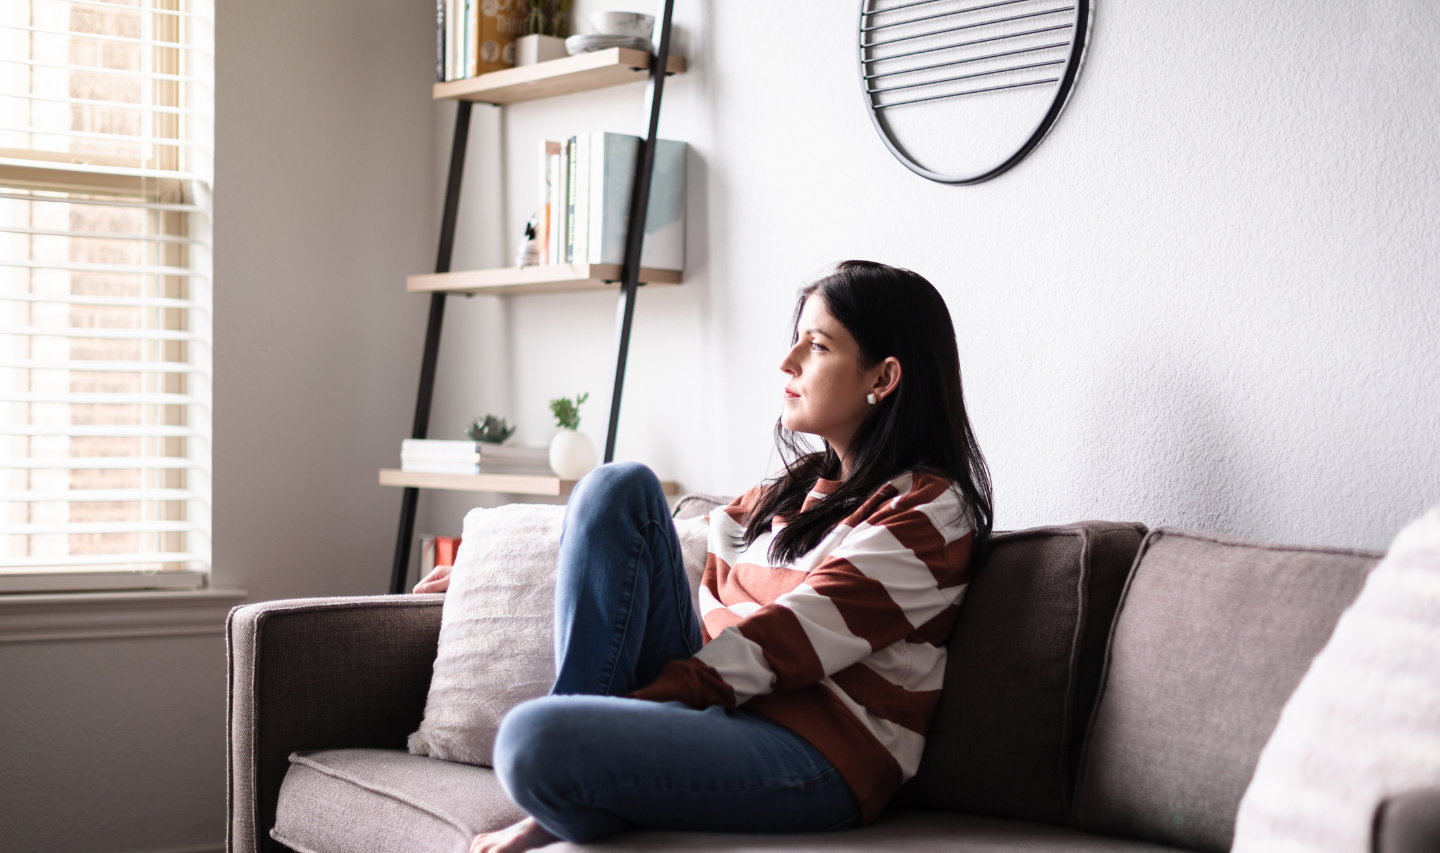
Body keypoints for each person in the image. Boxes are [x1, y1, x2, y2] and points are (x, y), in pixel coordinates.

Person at [415, 260, 994, 853]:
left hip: (820, 754)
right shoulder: (792, 491)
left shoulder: (929, 511)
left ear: (884, 376)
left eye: (816, 346)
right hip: (718, 708)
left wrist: (629, 716)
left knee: (532, 741)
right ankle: (583, 775)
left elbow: (787, 641)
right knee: (616, 488)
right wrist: (489, 574)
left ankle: (574, 780)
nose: (787, 362)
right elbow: (650, 544)